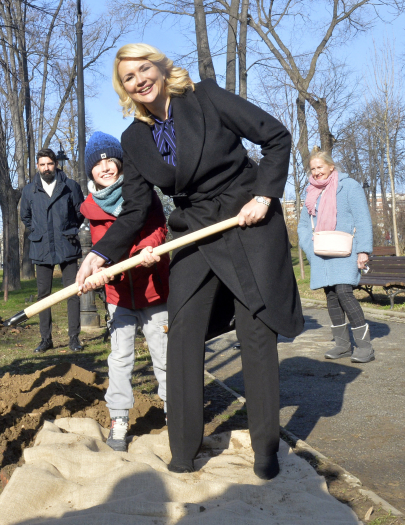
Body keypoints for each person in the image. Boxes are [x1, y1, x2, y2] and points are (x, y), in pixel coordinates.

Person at [77, 43, 303, 479]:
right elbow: (137, 208)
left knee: (255, 331)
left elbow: (276, 136)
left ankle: (265, 451)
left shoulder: (208, 97)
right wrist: (99, 254)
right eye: (128, 77)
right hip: (193, 230)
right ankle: (183, 450)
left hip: (247, 219)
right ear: (123, 88)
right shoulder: (133, 140)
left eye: (144, 69)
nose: (139, 79)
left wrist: (265, 194)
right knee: (180, 333)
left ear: (161, 69)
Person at [80, 132, 170, 452]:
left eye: (110, 160)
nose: (105, 167)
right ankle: (119, 420)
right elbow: (103, 248)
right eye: (98, 163)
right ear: (90, 171)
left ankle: (176, 414)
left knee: (164, 356)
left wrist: (148, 248)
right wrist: (99, 275)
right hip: (120, 297)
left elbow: (159, 227)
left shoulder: (141, 191)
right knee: (119, 359)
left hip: (153, 290)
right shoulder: (91, 209)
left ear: (120, 163)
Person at [298, 147, 374, 363]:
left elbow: (363, 220)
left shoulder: (348, 186)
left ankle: (365, 347)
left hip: (346, 249)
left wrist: (363, 250)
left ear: (331, 166)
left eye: (319, 167)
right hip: (321, 251)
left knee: (343, 291)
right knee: (330, 295)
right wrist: (308, 246)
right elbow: (303, 225)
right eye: (312, 169)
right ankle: (342, 346)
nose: (315, 172)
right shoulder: (311, 191)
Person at [20, 148, 86, 353]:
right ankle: (45, 339)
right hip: (41, 248)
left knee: (73, 292)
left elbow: (80, 212)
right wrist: (38, 231)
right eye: (42, 164)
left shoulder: (70, 186)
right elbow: (26, 217)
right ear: (37, 166)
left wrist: (69, 229)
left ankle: (74, 338)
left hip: (67, 244)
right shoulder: (29, 190)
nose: (46, 168)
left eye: (49, 164)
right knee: (43, 295)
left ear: (56, 164)